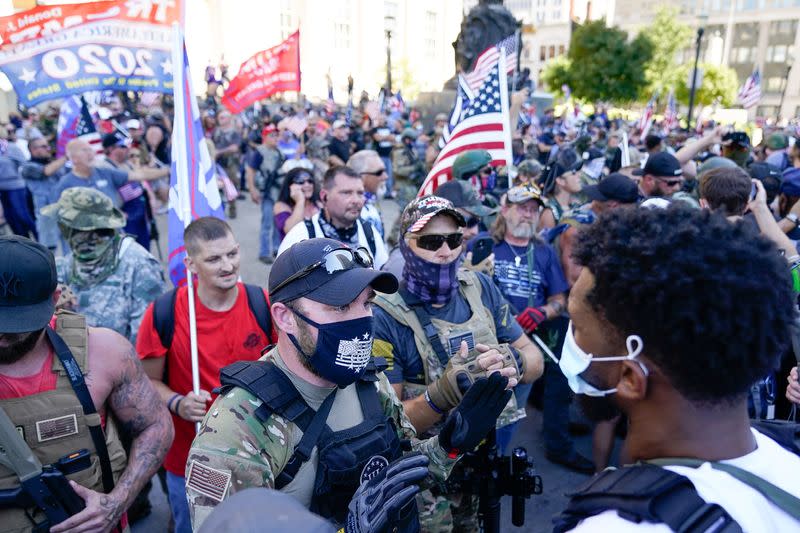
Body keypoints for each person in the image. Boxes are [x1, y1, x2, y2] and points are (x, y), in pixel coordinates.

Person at [185, 237, 514, 530]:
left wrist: (450, 444)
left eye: (367, 303)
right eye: (340, 307)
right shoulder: (237, 427)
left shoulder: (367, 379)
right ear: (285, 317)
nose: (360, 320)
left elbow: (399, 472)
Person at [553, 205, 800, 531]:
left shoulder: (617, 527)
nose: (572, 340)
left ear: (630, 377)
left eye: (578, 325)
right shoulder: (789, 453)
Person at [372, 196, 544, 530]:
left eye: (454, 240)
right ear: (405, 246)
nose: (446, 251)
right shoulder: (385, 315)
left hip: (480, 462)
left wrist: (513, 361)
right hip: (423, 478)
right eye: (431, 241)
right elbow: (388, 426)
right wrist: (441, 396)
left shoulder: (479, 287)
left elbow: (536, 360)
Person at [0, 235, 173, 533]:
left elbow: (156, 427)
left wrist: (117, 502)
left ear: (54, 301)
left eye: (15, 326)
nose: (1, 336)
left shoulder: (103, 352)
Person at [136, 217, 275, 533]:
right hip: (192, 458)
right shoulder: (165, 312)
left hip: (258, 454)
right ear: (191, 263)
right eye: (213, 258)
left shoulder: (261, 303)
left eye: (231, 254)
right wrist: (178, 403)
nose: (227, 266)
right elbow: (147, 381)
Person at [43, 187, 163, 345]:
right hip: (73, 360)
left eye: (65, 223)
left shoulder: (139, 265)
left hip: (119, 362)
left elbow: (144, 341)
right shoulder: (68, 263)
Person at [278, 166, 388, 269]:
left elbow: (384, 277)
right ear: (324, 196)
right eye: (346, 193)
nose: (356, 200)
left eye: (360, 193)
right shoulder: (302, 236)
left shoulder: (369, 232)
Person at [56, 139, 169, 211]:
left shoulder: (104, 172)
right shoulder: (66, 184)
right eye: (84, 150)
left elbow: (137, 175)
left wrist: (167, 171)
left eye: (90, 150)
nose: (90, 153)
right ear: (73, 158)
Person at [96, 132, 153, 249]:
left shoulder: (127, 163)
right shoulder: (105, 167)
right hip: (125, 214)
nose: (126, 149)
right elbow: (104, 194)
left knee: (145, 246)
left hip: (140, 211)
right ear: (111, 149)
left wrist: (151, 197)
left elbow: (141, 180)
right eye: (121, 146)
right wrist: (117, 212)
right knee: (130, 248)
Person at [245, 123, 284, 263]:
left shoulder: (279, 152)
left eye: (276, 135)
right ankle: (264, 251)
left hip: (278, 192)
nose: (275, 138)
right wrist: (252, 190)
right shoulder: (259, 152)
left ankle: (276, 248)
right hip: (267, 192)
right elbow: (251, 171)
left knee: (278, 221)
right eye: (272, 135)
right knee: (267, 222)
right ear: (265, 137)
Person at [20, 137, 67, 251]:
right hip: (46, 214)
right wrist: (67, 156)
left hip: (64, 209)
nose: (48, 149)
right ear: (33, 150)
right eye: (44, 146)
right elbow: (45, 171)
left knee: (70, 248)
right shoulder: (26, 167)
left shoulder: (53, 163)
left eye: (48, 146)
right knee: (49, 251)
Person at [0, 134, 36, 239]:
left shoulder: (10, 147)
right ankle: (23, 242)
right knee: (10, 218)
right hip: (2, 189)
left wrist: (13, 173)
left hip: (16, 186)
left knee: (22, 215)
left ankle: (41, 241)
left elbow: (23, 163)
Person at [348, 149, 388, 238]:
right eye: (379, 172)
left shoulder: (371, 201)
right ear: (360, 177)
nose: (385, 176)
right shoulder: (350, 210)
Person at [273, 167, 321, 240]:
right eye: (301, 182)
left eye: (310, 181)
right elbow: (291, 231)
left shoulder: (319, 204)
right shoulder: (281, 206)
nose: (307, 185)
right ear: (290, 186)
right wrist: (300, 201)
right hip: (293, 249)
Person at [213, 111, 243, 219]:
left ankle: (232, 209)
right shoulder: (216, 131)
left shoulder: (234, 132)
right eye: (219, 117)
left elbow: (235, 148)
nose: (220, 119)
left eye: (223, 117)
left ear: (229, 119)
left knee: (231, 187)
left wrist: (219, 152)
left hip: (230, 164)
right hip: (216, 164)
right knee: (217, 187)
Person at [392, 128, 426, 204]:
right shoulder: (399, 152)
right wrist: (413, 168)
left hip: (412, 185)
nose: (411, 142)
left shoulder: (412, 151)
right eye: (410, 140)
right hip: (403, 186)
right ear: (405, 139)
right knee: (404, 212)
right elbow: (397, 170)